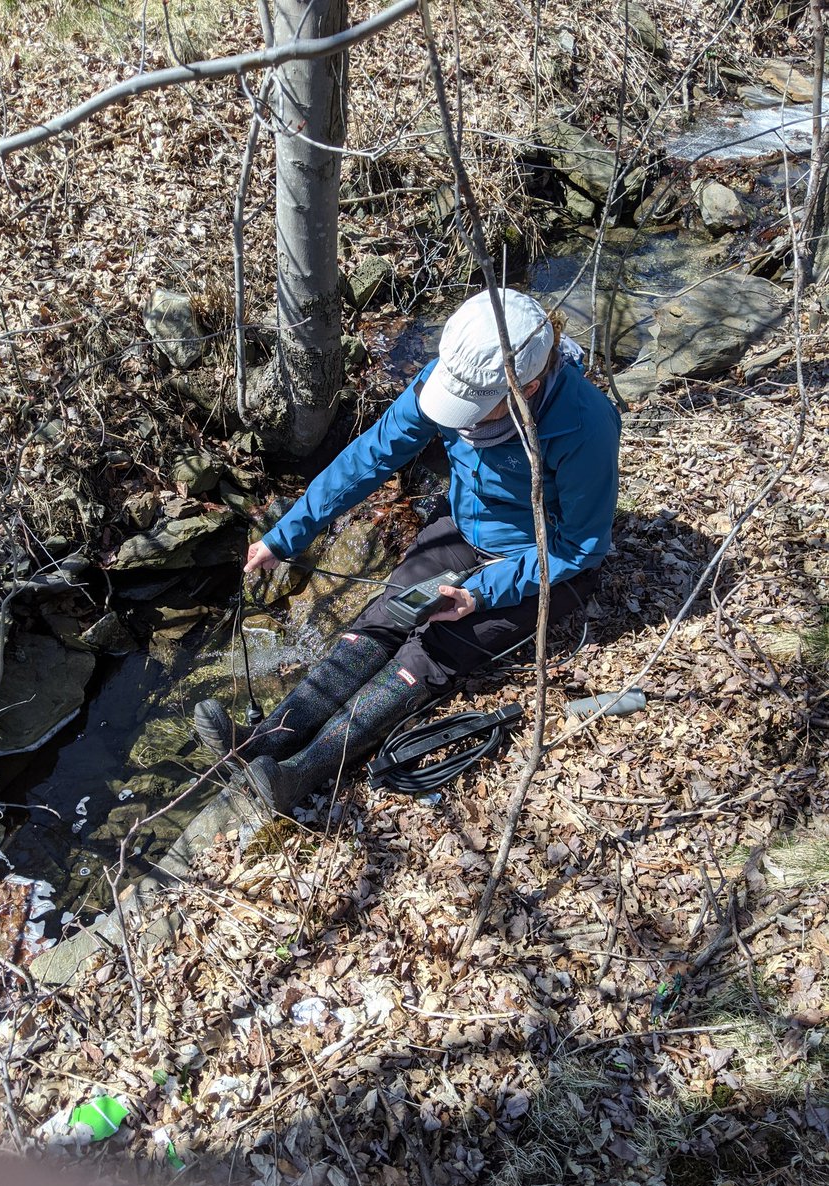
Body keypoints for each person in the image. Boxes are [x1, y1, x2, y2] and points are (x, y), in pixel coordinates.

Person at [195, 288, 621, 814]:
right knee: (382, 618)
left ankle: (297, 774)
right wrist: (286, 536)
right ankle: (261, 743)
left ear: (525, 388)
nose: (459, 420)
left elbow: (581, 546)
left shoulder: (584, 423)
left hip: (541, 565)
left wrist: (482, 594)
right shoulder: (455, 375)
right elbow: (370, 457)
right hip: (462, 531)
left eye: (474, 412)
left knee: (430, 649)